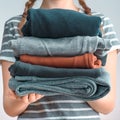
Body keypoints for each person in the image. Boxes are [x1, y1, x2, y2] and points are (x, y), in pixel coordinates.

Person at [0, 0, 118, 119]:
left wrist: (80, 85)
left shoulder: (100, 24)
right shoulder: (16, 24)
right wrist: (23, 99)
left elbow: (107, 105)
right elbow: (10, 107)